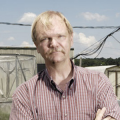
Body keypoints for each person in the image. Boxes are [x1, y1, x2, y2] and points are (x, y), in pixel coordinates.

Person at [9, 11, 120, 120]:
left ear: (71, 39)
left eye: (60, 36)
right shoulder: (24, 94)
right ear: (37, 46)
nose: (54, 44)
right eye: (45, 38)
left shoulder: (98, 82)